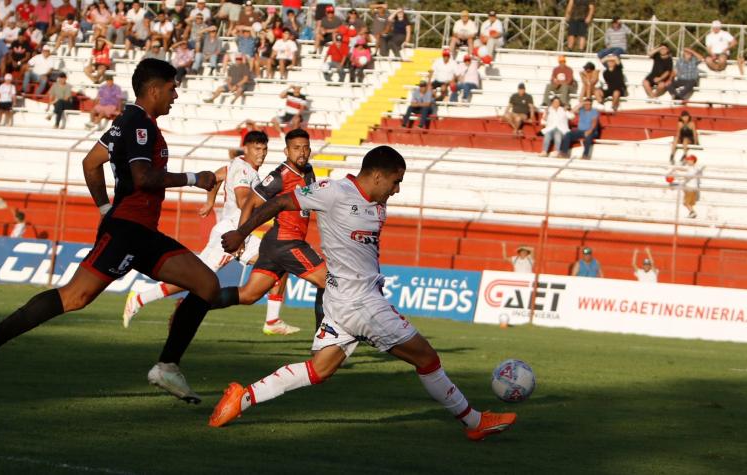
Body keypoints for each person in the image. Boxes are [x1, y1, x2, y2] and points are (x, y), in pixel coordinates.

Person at [209, 145, 518, 442]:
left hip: (344, 300)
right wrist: (242, 232)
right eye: (396, 182)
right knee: (426, 358)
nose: (396, 189)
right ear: (378, 175)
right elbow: (279, 202)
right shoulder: (334, 192)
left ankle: (243, 397)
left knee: (319, 370)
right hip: (361, 304)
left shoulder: (377, 206)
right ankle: (475, 423)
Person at [0, 59, 219, 405]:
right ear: (154, 89)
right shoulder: (139, 124)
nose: (175, 95)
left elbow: (91, 161)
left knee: (207, 284)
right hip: (128, 229)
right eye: (173, 88)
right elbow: (143, 178)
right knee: (75, 297)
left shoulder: (129, 121)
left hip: (142, 231)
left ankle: (167, 366)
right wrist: (194, 178)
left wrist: (104, 208)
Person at [123, 131, 294, 335]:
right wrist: (272, 203)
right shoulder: (245, 172)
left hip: (241, 232)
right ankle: (141, 298)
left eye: (265, 149)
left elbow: (214, 177)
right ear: (246, 148)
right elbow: (243, 201)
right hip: (230, 234)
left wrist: (210, 202)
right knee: (195, 279)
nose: (262, 153)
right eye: (257, 148)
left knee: (280, 261)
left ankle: (272, 320)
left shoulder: (236, 164)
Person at [669, 154, 701, 218]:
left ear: (693, 161)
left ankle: (693, 213)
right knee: (688, 203)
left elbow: (687, 177)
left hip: (690, 188)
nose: (688, 161)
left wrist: (677, 173)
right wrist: (675, 169)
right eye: (688, 160)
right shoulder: (691, 168)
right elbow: (682, 169)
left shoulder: (693, 169)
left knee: (686, 203)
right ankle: (691, 213)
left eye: (689, 160)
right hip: (689, 187)